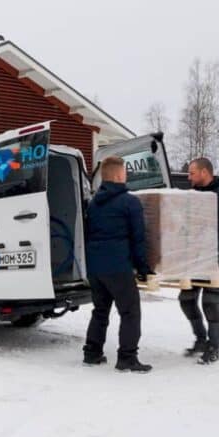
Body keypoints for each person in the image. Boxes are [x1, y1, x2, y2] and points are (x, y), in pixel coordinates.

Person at [82, 155, 153, 372]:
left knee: (100, 310)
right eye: (125, 172)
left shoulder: (93, 204)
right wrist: (143, 268)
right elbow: (138, 239)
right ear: (120, 175)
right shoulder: (130, 202)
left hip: (95, 268)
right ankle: (127, 358)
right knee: (130, 312)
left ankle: (92, 353)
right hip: (118, 267)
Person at [179, 157, 219, 364]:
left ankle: (214, 347)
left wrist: (207, 253)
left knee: (210, 302)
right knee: (186, 299)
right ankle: (201, 339)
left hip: (217, 257)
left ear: (204, 172)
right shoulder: (192, 196)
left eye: (192, 173)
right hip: (194, 257)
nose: (188, 177)